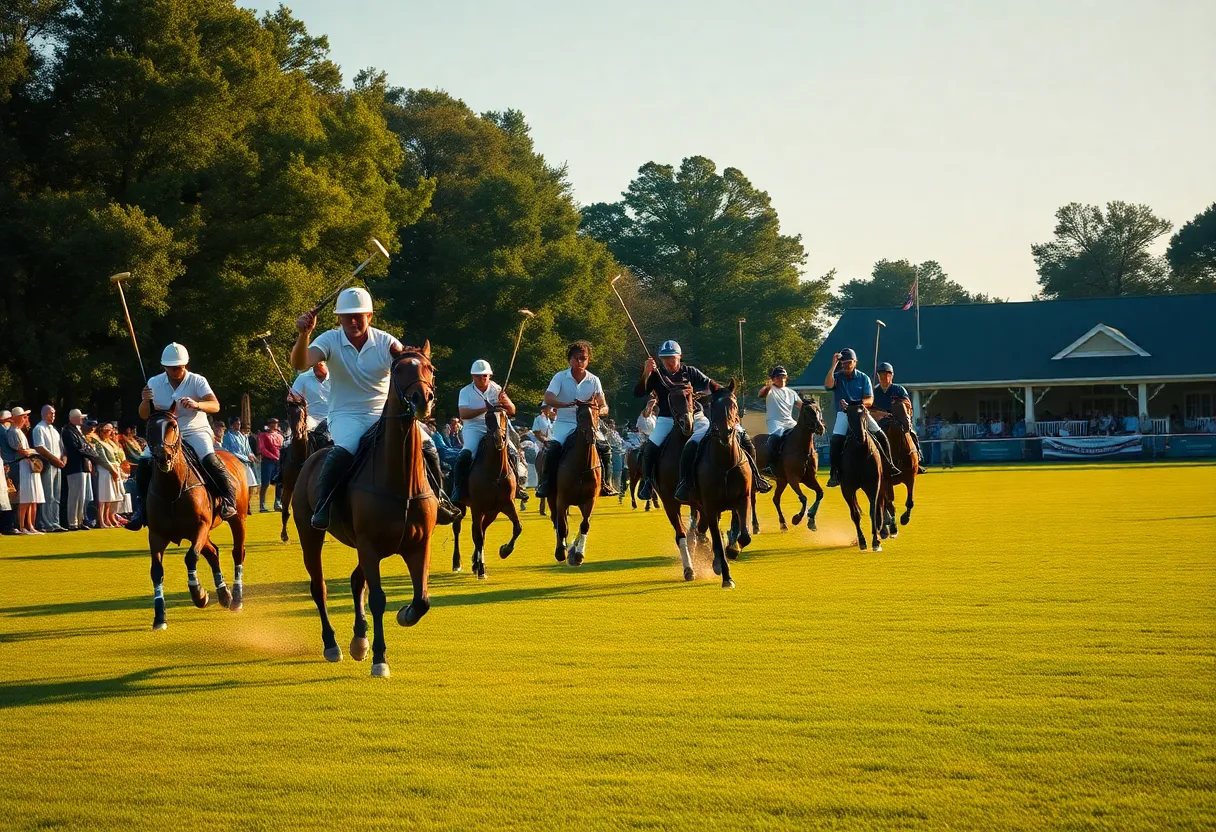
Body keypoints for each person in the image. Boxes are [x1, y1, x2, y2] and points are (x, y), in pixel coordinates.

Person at [291, 286, 458, 529]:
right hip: (345, 414)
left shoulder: (386, 342)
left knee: (429, 445)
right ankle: (324, 504)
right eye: (347, 316)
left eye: (359, 315)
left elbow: (407, 368)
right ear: (339, 318)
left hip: (385, 414)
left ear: (370, 316)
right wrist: (304, 334)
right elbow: (300, 362)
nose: (353, 321)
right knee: (346, 448)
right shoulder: (329, 339)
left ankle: (440, 498)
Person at [634, 340, 768, 503]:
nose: (669, 362)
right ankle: (647, 483)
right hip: (667, 418)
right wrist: (646, 373)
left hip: (695, 416)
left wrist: (726, 394)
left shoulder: (690, 372)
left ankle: (754, 476)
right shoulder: (655, 376)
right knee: (651, 446)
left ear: (679, 357)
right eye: (664, 359)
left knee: (711, 439)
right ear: (660, 360)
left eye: (672, 358)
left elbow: (713, 386)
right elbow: (638, 393)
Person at [128, 342, 239, 531]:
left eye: (179, 367)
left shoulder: (197, 381)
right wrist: (145, 400)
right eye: (171, 368)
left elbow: (215, 405)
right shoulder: (154, 382)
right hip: (166, 433)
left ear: (185, 365)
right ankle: (140, 509)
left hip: (194, 429)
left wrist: (197, 405)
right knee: (145, 462)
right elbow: (144, 414)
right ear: (164, 367)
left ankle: (228, 500)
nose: (176, 371)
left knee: (210, 459)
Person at [534, 340, 618, 499]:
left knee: (605, 448)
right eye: (576, 358)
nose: (580, 362)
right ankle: (546, 483)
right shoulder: (560, 377)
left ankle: (606, 483)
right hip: (564, 423)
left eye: (583, 358)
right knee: (552, 449)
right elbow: (548, 398)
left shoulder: (594, 380)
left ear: (588, 360)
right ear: (570, 360)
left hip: (589, 424)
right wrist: (566, 404)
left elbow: (604, 406)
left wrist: (598, 411)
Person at [449, 359, 527, 503]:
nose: (482, 378)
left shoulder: (497, 389)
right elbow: (464, 414)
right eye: (478, 375)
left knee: (512, 452)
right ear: (473, 376)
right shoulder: (465, 391)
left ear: (490, 376)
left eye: (485, 375)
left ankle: (518, 487)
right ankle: (458, 489)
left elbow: (512, 411)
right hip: (474, 427)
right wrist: (487, 408)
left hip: (495, 426)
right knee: (466, 453)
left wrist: (505, 402)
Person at [823, 348, 901, 488]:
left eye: (849, 363)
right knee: (835, 440)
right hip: (844, 414)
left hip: (861, 412)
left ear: (855, 362)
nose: (846, 366)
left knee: (881, 435)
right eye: (844, 363)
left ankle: (889, 465)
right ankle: (834, 473)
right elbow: (828, 385)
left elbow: (870, 400)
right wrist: (833, 364)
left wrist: (856, 404)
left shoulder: (863, 378)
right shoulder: (838, 377)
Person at [870, 363, 927, 474]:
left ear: (891, 376)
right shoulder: (874, 392)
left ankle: (917, 458)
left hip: (897, 419)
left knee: (911, 434)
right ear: (878, 376)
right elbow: (870, 410)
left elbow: (907, 405)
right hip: (881, 421)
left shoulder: (899, 390)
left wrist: (902, 414)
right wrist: (882, 414)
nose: (884, 378)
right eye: (881, 375)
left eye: (887, 375)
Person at [757, 366, 801, 475]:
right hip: (775, 421)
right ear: (773, 379)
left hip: (789, 421)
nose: (781, 379)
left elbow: (802, 406)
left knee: (802, 433)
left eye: (783, 376)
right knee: (776, 436)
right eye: (778, 377)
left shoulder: (791, 392)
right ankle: (769, 465)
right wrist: (768, 386)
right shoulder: (770, 390)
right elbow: (761, 394)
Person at [8, 408, 46, 534]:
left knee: (30, 498)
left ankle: (30, 525)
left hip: (27, 464)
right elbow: (21, 450)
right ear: (16, 417)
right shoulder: (13, 431)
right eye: (23, 417)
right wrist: (34, 451)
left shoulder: (19, 431)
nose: (25, 419)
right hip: (22, 464)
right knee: (25, 498)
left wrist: (31, 451)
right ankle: (22, 526)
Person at [61, 409, 100, 531]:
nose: (83, 420)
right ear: (74, 418)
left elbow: (83, 446)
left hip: (81, 466)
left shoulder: (77, 430)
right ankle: (73, 521)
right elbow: (75, 448)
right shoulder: (67, 431)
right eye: (81, 418)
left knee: (82, 495)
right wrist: (90, 455)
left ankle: (80, 519)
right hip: (74, 466)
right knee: (75, 495)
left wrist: (90, 454)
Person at [31, 404, 67, 532]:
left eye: (54, 413)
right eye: (51, 413)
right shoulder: (39, 428)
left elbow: (61, 448)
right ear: (45, 413)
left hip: (57, 465)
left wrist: (63, 459)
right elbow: (40, 447)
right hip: (47, 464)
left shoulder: (54, 430)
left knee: (56, 495)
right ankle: (46, 522)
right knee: (47, 494)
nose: (53, 416)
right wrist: (55, 459)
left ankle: (55, 521)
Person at [91, 423, 126, 528]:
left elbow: (118, 455)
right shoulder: (97, 441)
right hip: (104, 470)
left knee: (109, 498)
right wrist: (112, 469)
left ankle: (107, 519)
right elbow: (102, 459)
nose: (111, 433)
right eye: (109, 430)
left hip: (112, 469)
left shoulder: (109, 442)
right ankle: (101, 520)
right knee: (103, 497)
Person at [221, 416, 259, 513]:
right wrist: (246, 458)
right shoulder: (227, 437)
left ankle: (247, 503)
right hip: (235, 464)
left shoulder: (243, 436)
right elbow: (230, 451)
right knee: (238, 485)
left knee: (251, 484)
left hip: (246, 464)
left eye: (239, 424)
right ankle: (238, 504)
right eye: (236, 424)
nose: (238, 426)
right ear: (231, 425)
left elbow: (248, 449)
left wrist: (251, 456)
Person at [291, 360, 331, 445]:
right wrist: (297, 400)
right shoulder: (303, 378)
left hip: (334, 417)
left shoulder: (339, 377)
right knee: (299, 435)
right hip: (311, 418)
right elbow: (291, 398)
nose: (316, 368)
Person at [257, 418, 283, 512]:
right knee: (265, 483)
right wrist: (273, 456)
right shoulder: (263, 435)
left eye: (276, 423)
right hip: (268, 461)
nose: (275, 425)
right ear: (269, 424)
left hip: (278, 461)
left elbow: (282, 447)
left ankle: (277, 503)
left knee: (279, 483)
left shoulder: (279, 435)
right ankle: (262, 505)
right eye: (273, 423)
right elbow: (262, 449)